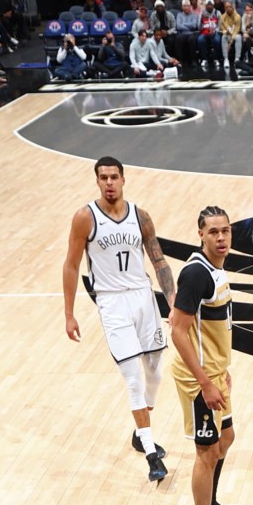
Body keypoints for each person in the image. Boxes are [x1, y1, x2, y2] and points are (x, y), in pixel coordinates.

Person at [63, 157, 174, 485]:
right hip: (112, 303)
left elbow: (158, 260)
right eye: (103, 178)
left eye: (114, 177)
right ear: (97, 181)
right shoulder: (85, 217)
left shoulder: (141, 216)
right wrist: (68, 314)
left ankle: (141, 434)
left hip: (142, 296)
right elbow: (70, 265)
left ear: (124, 179)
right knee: (133, 379)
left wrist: (172, 301)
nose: (109, 183)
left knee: (155, 372)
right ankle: (152, 455)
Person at [168, 205, 244, 505]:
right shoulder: (197, 274)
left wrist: (219, 368)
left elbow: (208, 328)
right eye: (213, 232)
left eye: (225, 230)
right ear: (200, 234)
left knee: (225, 437)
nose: (221, 237)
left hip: (213, 372)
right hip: (197, 378)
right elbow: (178, 331)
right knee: (206, 452)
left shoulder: (216, 270)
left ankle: (209, 504)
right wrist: (205, 382)